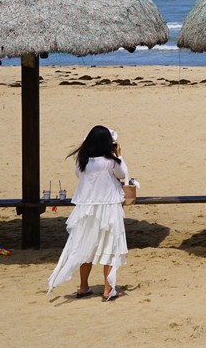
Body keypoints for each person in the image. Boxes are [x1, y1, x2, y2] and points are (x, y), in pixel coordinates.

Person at [48, 125, 130, 301]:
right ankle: (108, 289)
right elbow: (123, 174)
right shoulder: (111, 161)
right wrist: (119, 155)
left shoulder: (83, 160)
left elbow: (79, 175)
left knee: (85, 246)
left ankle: (84, 286)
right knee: (109, 248)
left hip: (86, 208)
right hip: (108, 207)